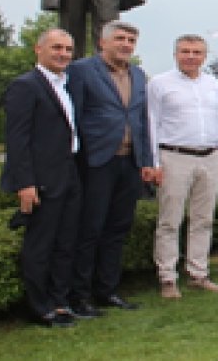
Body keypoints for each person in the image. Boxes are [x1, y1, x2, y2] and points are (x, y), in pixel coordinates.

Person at [66, 21, 154, 317]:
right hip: (96, 162)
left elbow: (141, 121)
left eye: (131, 39)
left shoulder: (138, 75)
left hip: (129, 163)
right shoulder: (81, 71)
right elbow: (73, 118)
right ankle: (79, 296)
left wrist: (146, 161)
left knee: (117, 229)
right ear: (102, 42)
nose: (126, 44)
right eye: (120, 39)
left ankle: (107, 290)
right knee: (89, 229)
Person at [0, 29, 81, 328]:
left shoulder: (65, 85)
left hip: (69, 173)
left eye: (68, 49)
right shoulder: (26, 86)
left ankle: (60, 302)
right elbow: (17, 140)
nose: (63, 54)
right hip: (42, 178)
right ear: (39, 49)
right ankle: (39, 307)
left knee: (66, 242)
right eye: (56, 48)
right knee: (40, 245)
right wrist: (25, 183)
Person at [148, 34, 218, 298]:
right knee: (170, 220)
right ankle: (167, 277)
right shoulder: (160, 83)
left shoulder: (212, 83)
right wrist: (154, 163)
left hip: (210, 156)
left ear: (204, 56)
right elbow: (152, 123)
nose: (191, 57)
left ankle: (198, 273)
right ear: (175, 54)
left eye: (196, 52)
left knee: (203, 219)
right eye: (185, 51)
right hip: (174, 156)